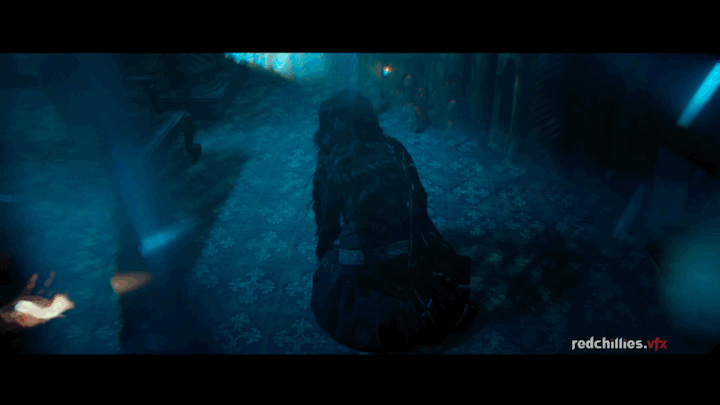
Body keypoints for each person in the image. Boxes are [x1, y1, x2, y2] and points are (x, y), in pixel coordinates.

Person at [310, 90, 478, 353]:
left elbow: (327, 228)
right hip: (406, 259)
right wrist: (424, 246)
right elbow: (419, 204)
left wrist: (328, 261)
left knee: (336, 274)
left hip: (363, 267)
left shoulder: (330, 162)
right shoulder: (394, 149)